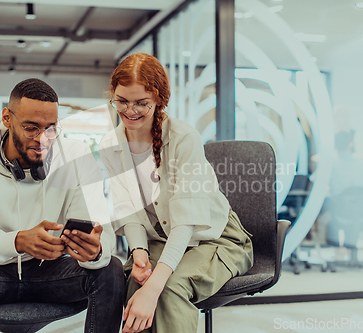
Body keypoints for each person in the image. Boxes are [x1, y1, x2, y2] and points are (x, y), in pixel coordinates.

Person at [0, 78, 125, 333]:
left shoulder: (76, 159)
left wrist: (94, 251)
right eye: (30, 128)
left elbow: (104, 235)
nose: (42, 139)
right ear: (6, 118)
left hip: (51, 274)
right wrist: (16, 241)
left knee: (110, 267)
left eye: (50, 128)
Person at [100, 53, 254, 333]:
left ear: (159, 99)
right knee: (135, 282)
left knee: (168, 289)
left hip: (214, 238)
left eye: (141, 103)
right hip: (161, 238)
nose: (129, 110)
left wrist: (155, 285)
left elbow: (186, 223)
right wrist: (139, 253)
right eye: (121, 100)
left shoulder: (183, 138)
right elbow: (130, 210)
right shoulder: (110, 144)